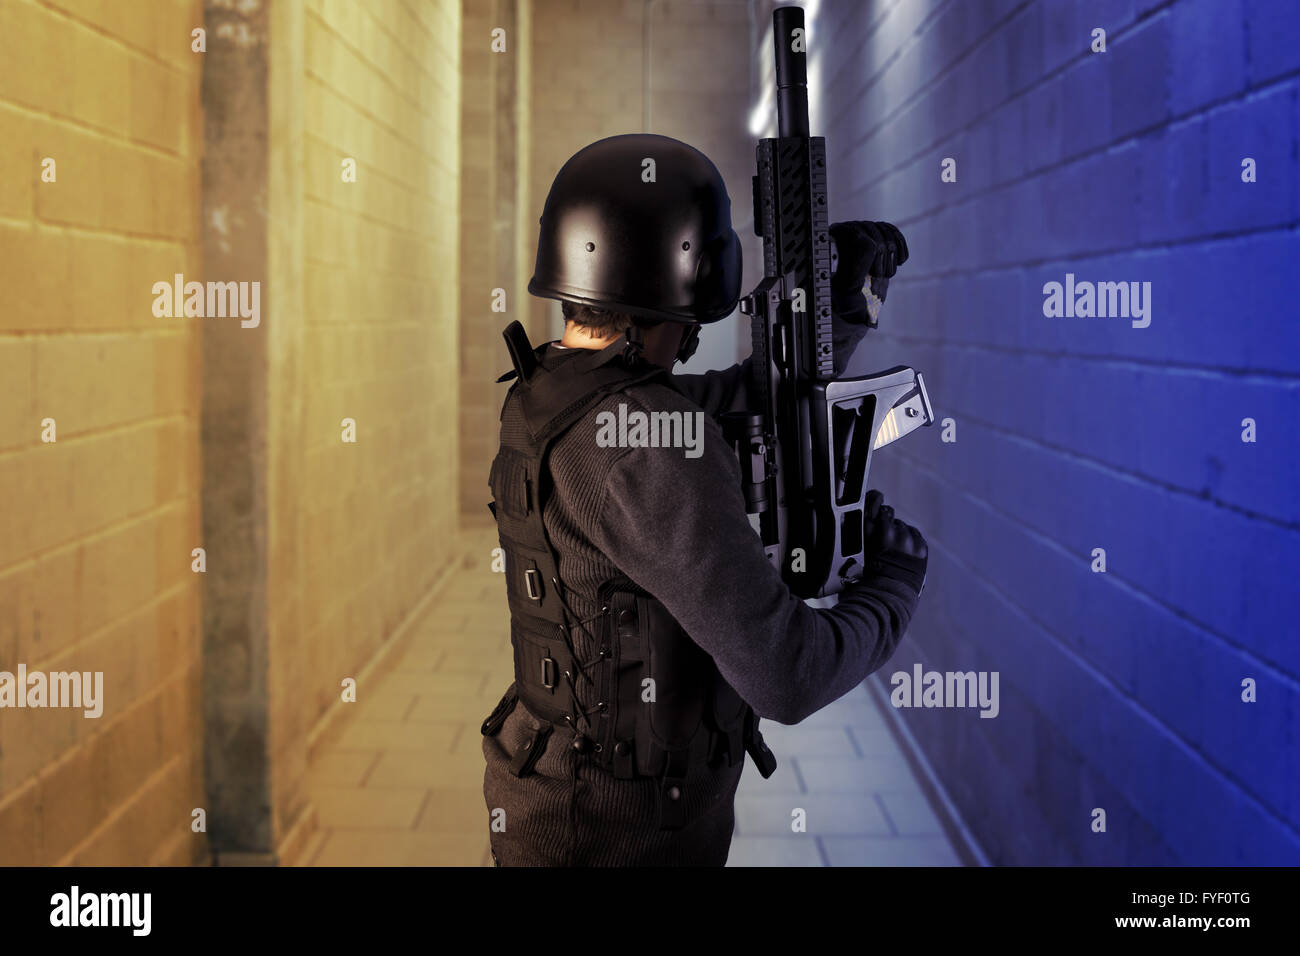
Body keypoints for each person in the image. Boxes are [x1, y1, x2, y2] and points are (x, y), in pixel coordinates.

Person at [480, 133, 927, 866]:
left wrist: (832, 317)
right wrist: (892, 591)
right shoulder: (645, 445)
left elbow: (729, 406)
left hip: (564, 804)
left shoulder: (550, 392)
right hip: (618, 837)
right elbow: (788, 672)